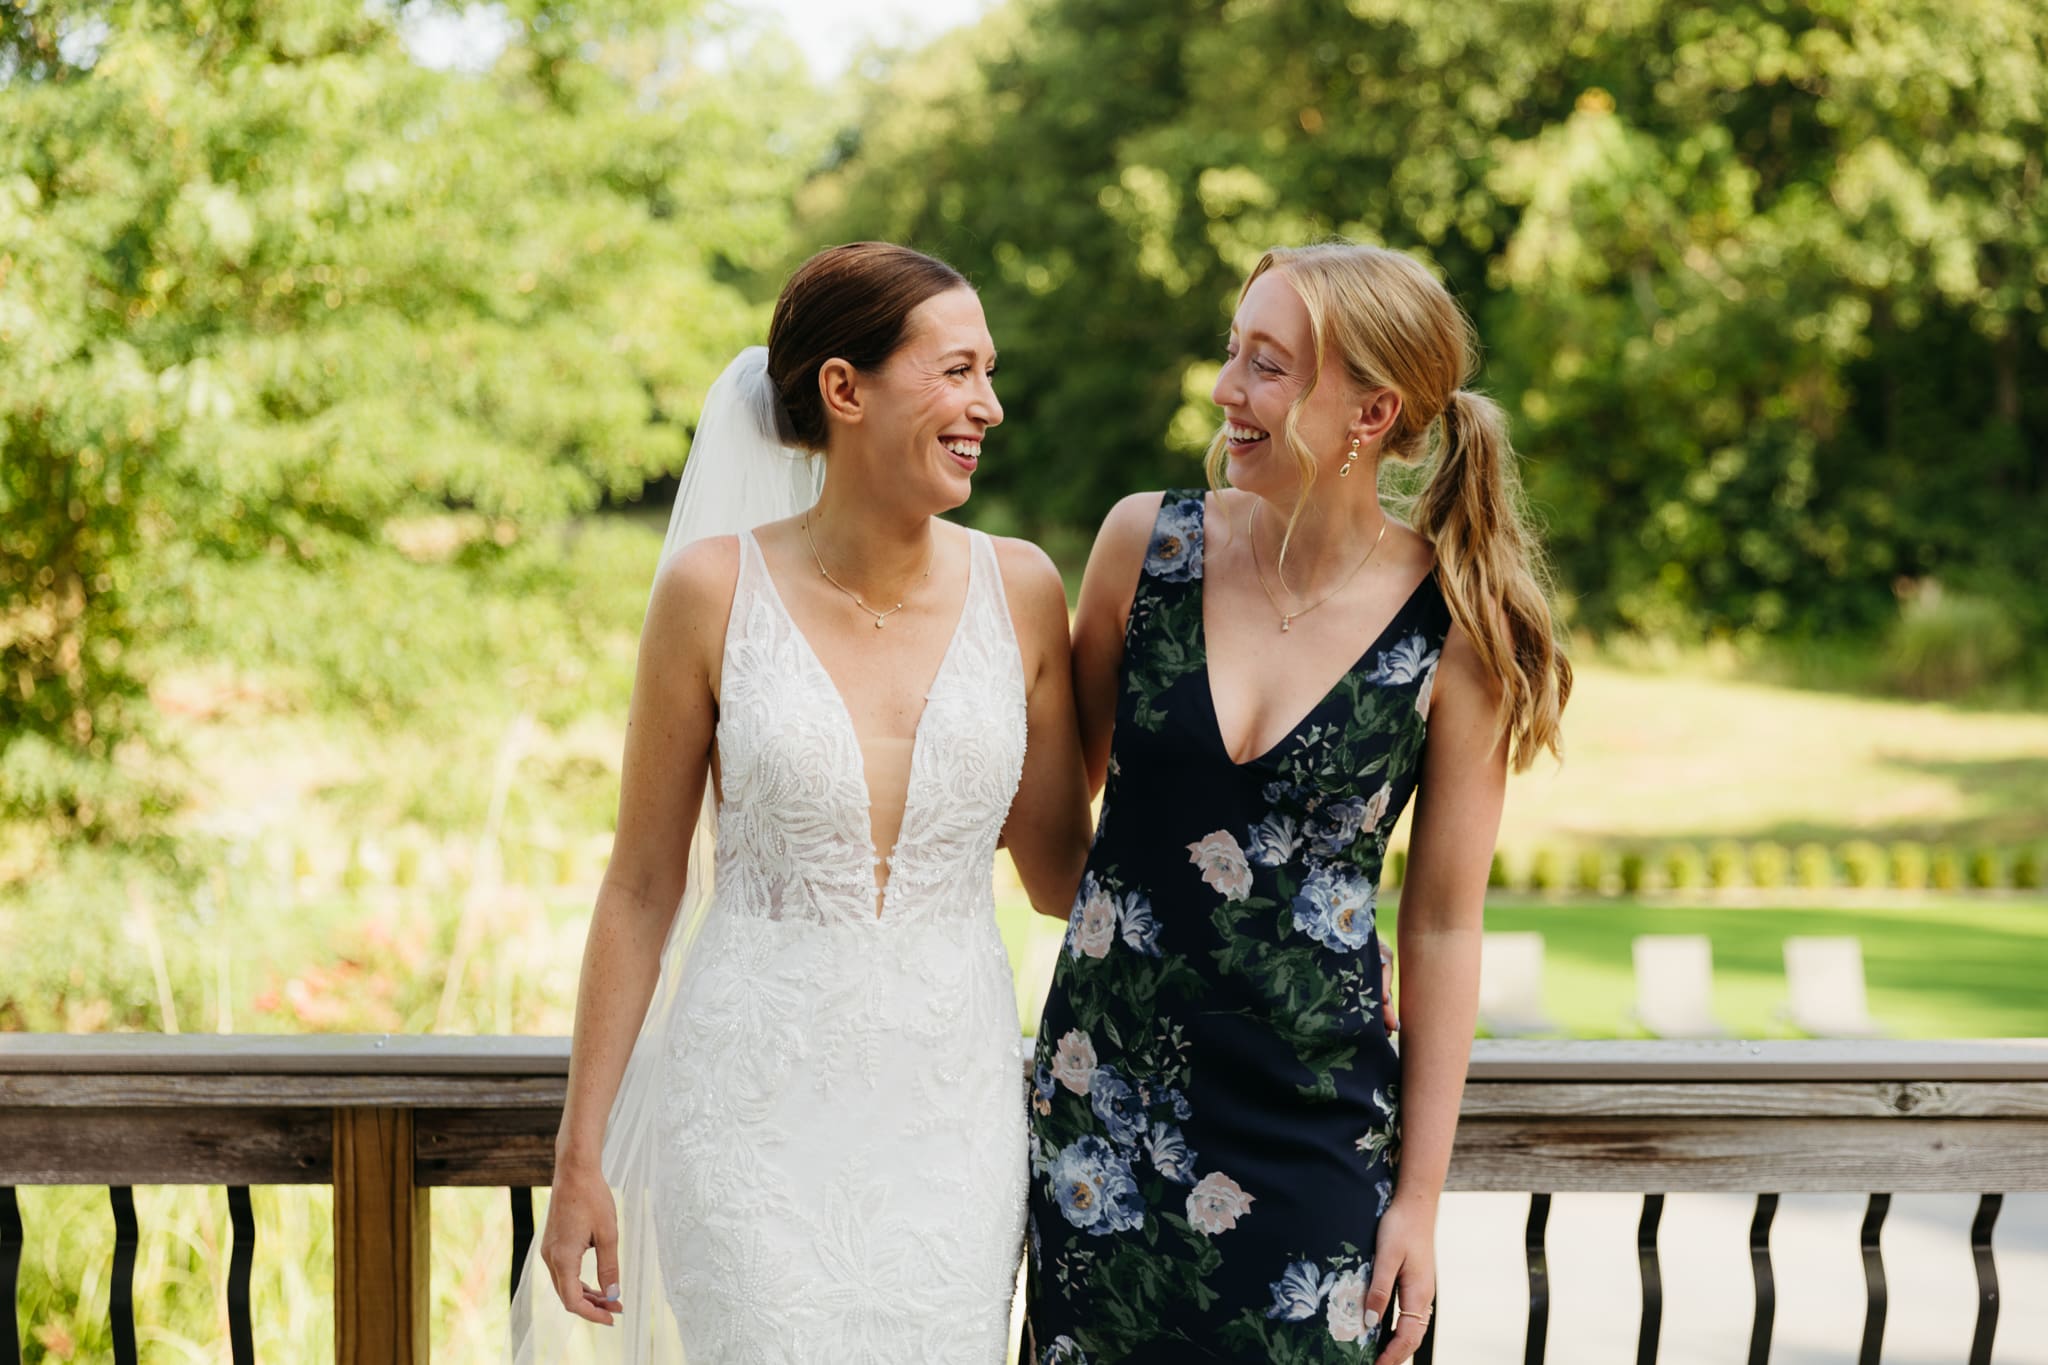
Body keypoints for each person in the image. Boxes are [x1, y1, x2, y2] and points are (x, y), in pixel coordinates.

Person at [515, 242, 1090, 1364]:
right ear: (844, 389)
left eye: (988, 373)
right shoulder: (710, 592)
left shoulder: (1021, 591)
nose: (990, 405)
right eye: (957, 371)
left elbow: (1066, 874)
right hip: (748, 1118)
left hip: (950, 1121)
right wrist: (577, 1157)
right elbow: (641, 887)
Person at [1024, 243, 1571, 1365]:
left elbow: (1440, 922)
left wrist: (1417, 1196)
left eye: (1265, 366)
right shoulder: (1143, 545)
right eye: (1233, 353)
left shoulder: (1455, 627)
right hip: (1100, 1118)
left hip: (1311, 1141)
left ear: (1370, 411)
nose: (1225, 390)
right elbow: (1048, 835)